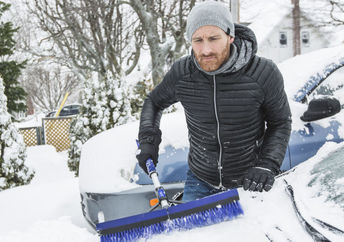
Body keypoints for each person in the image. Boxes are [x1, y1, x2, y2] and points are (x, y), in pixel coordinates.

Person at [136, 1, 292, 202]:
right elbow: (154, 102)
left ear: (230, 36)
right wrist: (148, 140)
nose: (206, 49)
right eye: (198, 40)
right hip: (200, 179)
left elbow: (280, 121)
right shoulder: (183, 73)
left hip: (248, 182)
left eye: (213, 38)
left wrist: (267, 164)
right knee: (192, 233)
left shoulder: (262, 72)